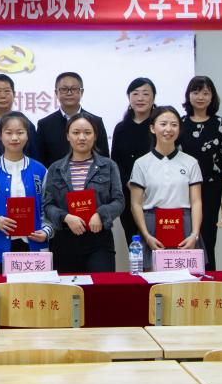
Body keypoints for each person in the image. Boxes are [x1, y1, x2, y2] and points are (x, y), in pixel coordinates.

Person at [42, 112, 124, 273]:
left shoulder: (108, 166)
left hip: (99, 239)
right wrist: (66, 217)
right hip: (65, 239)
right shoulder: (55, 168)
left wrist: (100, 214)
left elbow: (119, 201)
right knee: (67, 288)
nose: (82, 137)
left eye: (87, 132)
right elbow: (47, 205)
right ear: (68, 136)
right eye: (76, 132)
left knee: (100, 287)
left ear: (95, 136)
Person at [0, 111, 53, 274]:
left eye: (20, 132)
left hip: (34, 247)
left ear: (27, 136)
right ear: (0, 136)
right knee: (1, 289)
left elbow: (49, 208)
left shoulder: (40, 170)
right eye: (9, 133)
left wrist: (46, 231)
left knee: (34, 289)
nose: (14, 138)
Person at [129, 106, 204, 269]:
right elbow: (135, 204)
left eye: (174, 124)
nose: (168, 129)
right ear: (152, 128)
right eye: (163, 124)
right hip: (152, 227)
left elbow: (196, 201)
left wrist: (195, 234)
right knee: (153, 278)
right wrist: (146, 235)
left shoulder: (191, 162)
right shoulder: (141, 163)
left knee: (187, 278)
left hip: (185, 226)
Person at [179, 76, 222, 271]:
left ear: (212, 97)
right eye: (195, 92)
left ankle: (209, 278)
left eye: (205, 93)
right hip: (182, 190)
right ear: (188, 95)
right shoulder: (179, 123)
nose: (200, 97)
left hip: (211, 189)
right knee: (184, 236)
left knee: (208, 238)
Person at [110, 77, 157, 245]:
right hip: (128, 192)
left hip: (156, 192)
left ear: (154, 97)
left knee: (159, 239)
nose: (140, 98)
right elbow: (115, 162)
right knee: (134, 241)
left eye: (146, 94)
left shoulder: (159, 126)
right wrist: (130, 183)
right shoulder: (121, 128)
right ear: (129, 98)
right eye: (135, 94)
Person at [36, 72, 110, 167]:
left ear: (81, 92)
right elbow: (40, 161)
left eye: (74, 89)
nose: (69, 93)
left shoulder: (96, 122)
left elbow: (104, 158)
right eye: (64, 89)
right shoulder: (45, 124)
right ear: (56, 93)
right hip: (55, 175)